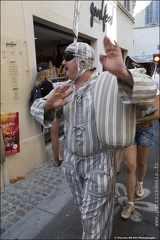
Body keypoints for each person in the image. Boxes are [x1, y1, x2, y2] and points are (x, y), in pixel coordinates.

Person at [30, 36, 157, 239]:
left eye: (67, 57)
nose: (62, 62)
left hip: (98, 163)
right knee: (87, 213)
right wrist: (47, 105)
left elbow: (149, 92)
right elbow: (35, 107)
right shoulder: (64, 88)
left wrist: (122, 73)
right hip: (72, 164)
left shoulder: (107, 84)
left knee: (89, 218)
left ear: (82, 61)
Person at [120, 57, 160, 219]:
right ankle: (130, 203)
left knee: (142, 162)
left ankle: (141, 182)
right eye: (135, 66)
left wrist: (140, 120)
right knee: (130, 166)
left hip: (144, 130)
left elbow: (157, 113)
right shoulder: (125, 87)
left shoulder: (153, 88)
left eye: (141, 67)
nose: (137, 69)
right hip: (129, 131)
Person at [34, 62, 63, 167]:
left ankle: (59, 155)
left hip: (44, 113)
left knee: (52, 136)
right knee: (55, 137)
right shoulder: (48, 84)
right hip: (52, 112)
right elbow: (54, 99)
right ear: (47, 71)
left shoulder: (37, 84)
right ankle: (56, 160)